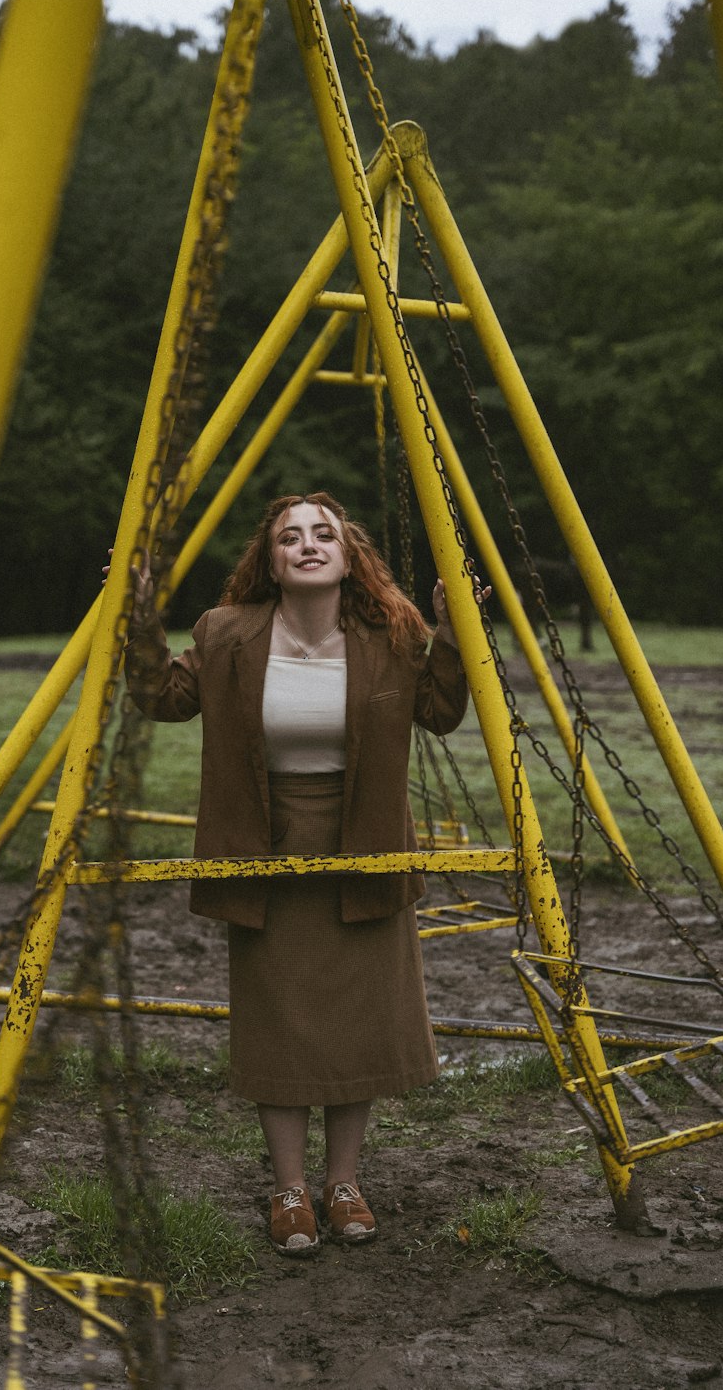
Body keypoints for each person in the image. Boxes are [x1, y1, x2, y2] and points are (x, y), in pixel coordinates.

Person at [121, 491, 486, 1256]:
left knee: (356, 1025)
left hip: (366, 842)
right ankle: (289, 1189)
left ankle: (343, 1183)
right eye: (291, 537)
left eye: (324, 534)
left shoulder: (391, 633)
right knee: (280, 1024)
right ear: (273, 561)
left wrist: (454, 633)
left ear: (349, 556)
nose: (309, 544)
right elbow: (163, 698)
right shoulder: (227, 634)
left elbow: (443, 712)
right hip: (267, 847)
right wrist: (140, 617)